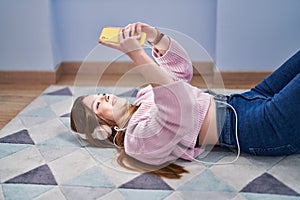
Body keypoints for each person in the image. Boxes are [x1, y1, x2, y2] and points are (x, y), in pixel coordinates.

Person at [70, 22, 300, 179]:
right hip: (254, 127)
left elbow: (181, 72)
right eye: (98, 104)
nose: (104, 96)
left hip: (246, 99)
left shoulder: (143, 97)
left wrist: (154, 37)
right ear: (102, 130)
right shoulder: (137, 141)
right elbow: (177, 104)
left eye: (100, 94)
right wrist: (136, 55)